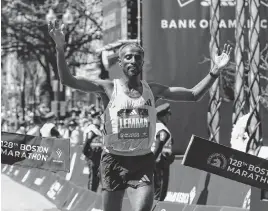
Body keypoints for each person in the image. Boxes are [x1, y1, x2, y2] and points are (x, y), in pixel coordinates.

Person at [48, 19, 232, 211]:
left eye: (137, 58)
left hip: (142, 161)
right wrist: (60, 49)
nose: (133, 61)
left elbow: (193, 95)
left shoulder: (153, 90)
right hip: (113, 160)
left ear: (142, 62)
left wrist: (214, 72)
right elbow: (67, 80)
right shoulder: (108, 88)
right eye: (128, 57)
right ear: (120, 62)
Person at [151, 103, 174, 201]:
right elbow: (158, 146)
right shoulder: (163, 130)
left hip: (154, 163)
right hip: (160, 164)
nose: (169, 118)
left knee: (153, 192)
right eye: (168, 115)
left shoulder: (153, 127)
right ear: (163, 116)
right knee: (159, 193)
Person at [83, 117, 103, 191]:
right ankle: (91, 192)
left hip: (97, 156)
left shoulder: (98, 131)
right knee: (92, 175)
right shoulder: (92, 130)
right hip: (92, 156)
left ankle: (93, 191)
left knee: (96, 176)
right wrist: (87, 154)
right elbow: (87, 143)